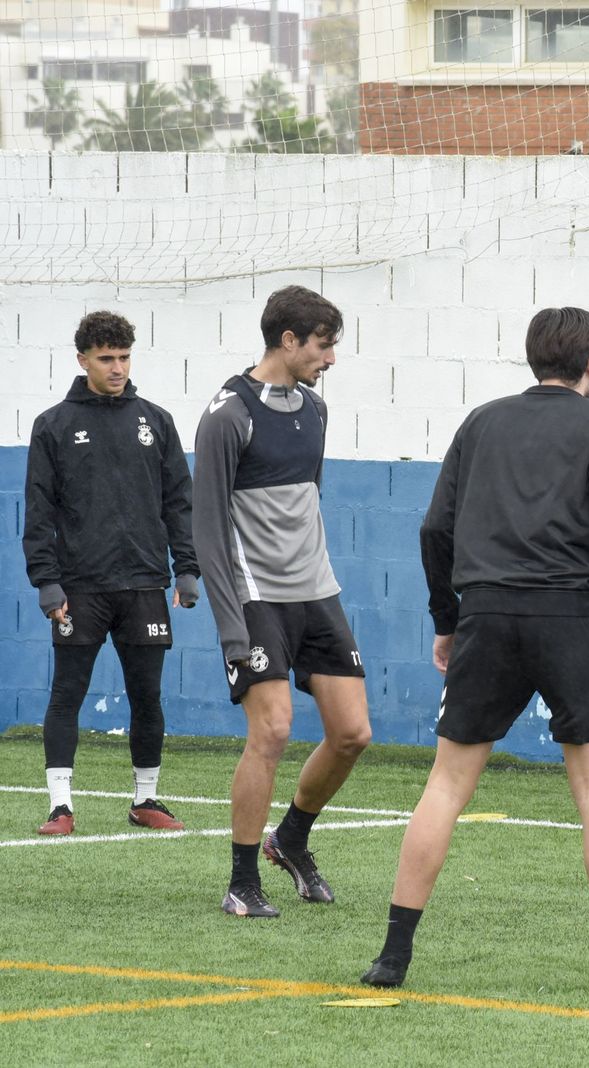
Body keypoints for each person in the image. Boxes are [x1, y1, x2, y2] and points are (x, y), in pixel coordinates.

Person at [362, 307, 589, 994]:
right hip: (569, 616)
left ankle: (393, 958)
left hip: (486, 615)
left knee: (446, 784)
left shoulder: (482, 420)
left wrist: (447, 618)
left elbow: (435, 527)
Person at [193, 286, 370, 919]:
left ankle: (290, 839)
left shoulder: (316, 411)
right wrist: (229, 626)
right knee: (272, 730)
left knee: (352, 733)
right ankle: (242, 881)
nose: (330, 359)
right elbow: (208, 529)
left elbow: (306, 503)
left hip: (317, 594)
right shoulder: (227, 415)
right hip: (255, 597)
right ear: (288, 341)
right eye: (323, 346)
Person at [23, 310, 199, 836]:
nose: (117, 367)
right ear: (82, 360)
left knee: (148, 696)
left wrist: (186, 569)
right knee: (67, 696)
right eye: (106, 358)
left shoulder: (157, 420)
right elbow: (39, 512)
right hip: (79, 588)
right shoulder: (52, 425)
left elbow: (179, 502)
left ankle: (146, 799)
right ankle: (60, 807)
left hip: (145, 585)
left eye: (124, 357)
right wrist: (46, 582)